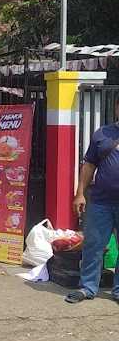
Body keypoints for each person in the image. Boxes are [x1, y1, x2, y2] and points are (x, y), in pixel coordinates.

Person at [66, 99, 119, 303]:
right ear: (116, 107)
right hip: (100, 203)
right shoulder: (102, 134)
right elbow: (89, 166)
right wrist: (80, 193)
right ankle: (87, 287)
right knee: (93, 245)